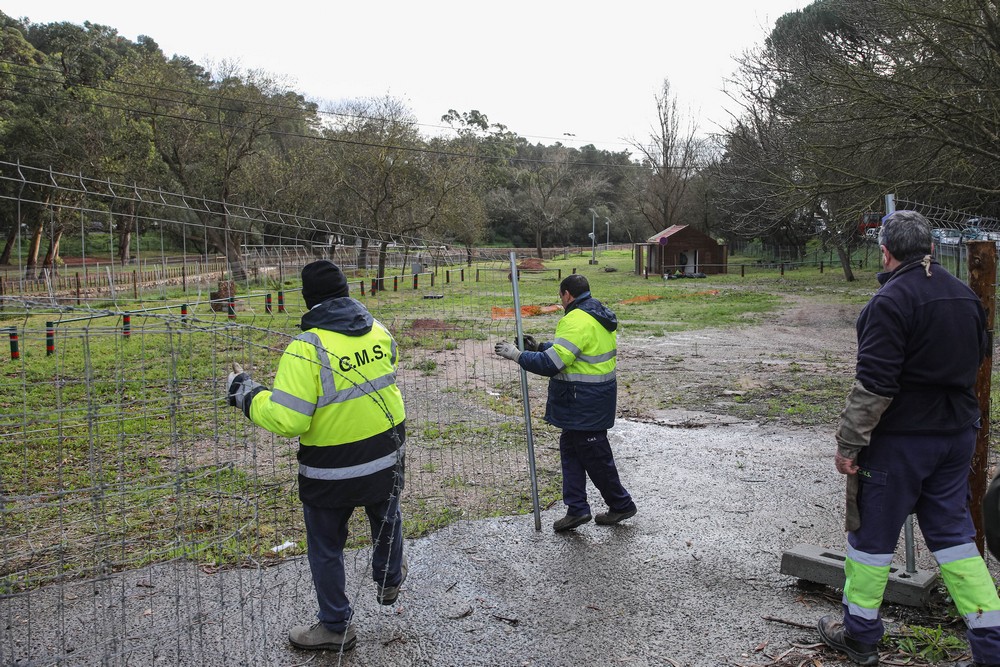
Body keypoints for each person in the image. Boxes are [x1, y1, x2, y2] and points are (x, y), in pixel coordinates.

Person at [818, 210, 1000, 667]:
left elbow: (875, 384)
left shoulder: (890, 301)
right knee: (957, 539)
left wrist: (849, 443)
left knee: (870, 542)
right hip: (956, 436)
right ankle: (992, 646)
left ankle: (859, 637)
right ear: (932, 248)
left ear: (885, 251)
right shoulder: (965, 296)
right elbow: (982, 355)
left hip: (900, 442)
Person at [226, 260, 407, 653]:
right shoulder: (379, 330)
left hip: (331, 468)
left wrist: (246, 394)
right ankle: (389, 577)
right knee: (387, 517)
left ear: (308, 299)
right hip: (388, 453)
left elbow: (289, 419)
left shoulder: (304, 350)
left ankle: (335, 625)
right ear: (346, 291)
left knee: (326, 546)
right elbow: (390, 368)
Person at [494, 274, 637, 532]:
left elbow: (553, 364)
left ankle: (621, 504)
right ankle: (577, 509)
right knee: (571, 450)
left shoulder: (575, 319)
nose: (560, 302)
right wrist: (539, 347)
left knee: (596, 457)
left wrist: (518, 356)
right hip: (591, 398)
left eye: (561, 297)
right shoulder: (596, 313)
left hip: (583, 401)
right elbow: (573, 351)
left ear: (567, 294)